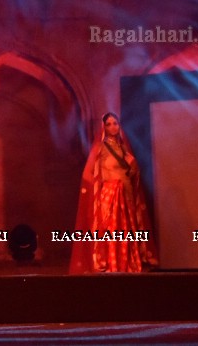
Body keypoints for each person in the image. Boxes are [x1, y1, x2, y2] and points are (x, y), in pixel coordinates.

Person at [69, 112, 157, 273]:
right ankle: (110, 265)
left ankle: (128, 263)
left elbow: (132, 175)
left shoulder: (124, 149)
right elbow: (87, 174)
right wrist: (102, 190)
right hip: (110, 198)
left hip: (127, 195)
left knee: (127, 231)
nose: (112, 127)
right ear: (103, 127)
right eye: (108, 124)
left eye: (115, 123)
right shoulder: (100, 148)